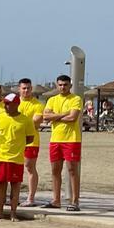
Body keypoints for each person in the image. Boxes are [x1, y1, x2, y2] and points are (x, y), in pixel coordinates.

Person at [42, 75, 84, 211]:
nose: (62, 87)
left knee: (72, 170)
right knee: (55, 170)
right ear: (56, 85)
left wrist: (55, 117)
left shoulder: (76, 99)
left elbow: (72, 118)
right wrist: (62, 114)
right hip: (55, 139)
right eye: (60, 84)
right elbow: (45, 116)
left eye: (65, 84)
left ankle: (75, 200)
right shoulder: (52, 100)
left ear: (70, 85)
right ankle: (56, 200)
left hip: (71, 139)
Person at [0, 93, 35, 221]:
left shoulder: (26, 120)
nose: (5, 106)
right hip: (0, 157)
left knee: (15, 186)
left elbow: (30, 138)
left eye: (8, 103)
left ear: (16, 104)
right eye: (4, 103)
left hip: (16, 158)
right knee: (0, 185)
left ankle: (13, 213)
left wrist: (18, 145)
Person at [17, 78, 46, 206]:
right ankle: (14, 197)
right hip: (14, 141)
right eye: (24, 88)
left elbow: (35, 122)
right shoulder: (13, 102)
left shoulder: (38, 104)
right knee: (14, 168)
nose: (26, 90)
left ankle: (31, 197)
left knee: (29, 167)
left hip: (31, 141)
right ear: (19, 89)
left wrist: (17, 123)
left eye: (28, 88)